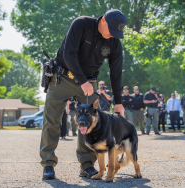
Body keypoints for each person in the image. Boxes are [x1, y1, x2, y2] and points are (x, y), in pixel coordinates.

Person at [40, 9, 127, 180]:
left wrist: (118, 102)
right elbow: (68, 53)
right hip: (62, 77)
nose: (112, 36)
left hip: (88, 81)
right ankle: (48, 163)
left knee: (90, 123)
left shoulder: (114, 42)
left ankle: (87, 165)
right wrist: (82, 81)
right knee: (51, 120)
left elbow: (116, 73)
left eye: (116, 33)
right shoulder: (81, 24)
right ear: (103, 21)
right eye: (111, 31)